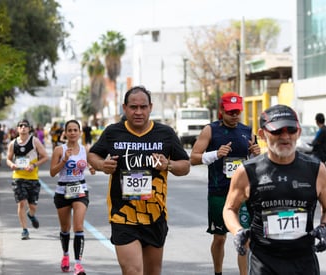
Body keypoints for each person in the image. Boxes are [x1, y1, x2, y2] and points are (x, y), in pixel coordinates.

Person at [223, 104, 326, 275]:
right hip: (264, 262)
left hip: (303, 262)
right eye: (277, 131)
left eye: (291, 130)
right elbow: (230, 209)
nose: (285, 137)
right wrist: (237, 231)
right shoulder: (247, 171)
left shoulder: (316, 169)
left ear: (298, 132)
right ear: (262, 134)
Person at [88, 85, 190, 275]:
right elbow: (93, 155)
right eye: (133, 107)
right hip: (122, 214)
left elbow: (185, 165)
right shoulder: (113, 132)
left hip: (155, 215)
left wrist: (167, 165)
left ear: (150, 107)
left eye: (143, 107)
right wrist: (102, 165)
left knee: (152, 272)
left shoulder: (165, 134)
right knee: (132, 271)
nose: (138, 112)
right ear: (125, 108)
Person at [190, 92, 260, 275]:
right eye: (230, 112)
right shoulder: (210, 130)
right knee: (220, 238)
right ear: (222, 110)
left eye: (238, 111)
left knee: (245, 238)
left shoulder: (247, 131)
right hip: (219, 192)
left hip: (242, 193)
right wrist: (215, 154)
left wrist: (256, 154)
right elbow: (193, 158)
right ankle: (218, 272)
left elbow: (254, 164)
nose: (235, 115)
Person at [50, 120, 96, 274]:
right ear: (65, 133)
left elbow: (89, 164)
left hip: (80, 190)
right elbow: (52, 172)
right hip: (63, 191)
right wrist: (64, 160)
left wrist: (91, 167)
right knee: (65, 228)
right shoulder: (59, 149)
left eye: (75, 130)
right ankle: (65, 255)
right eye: (69, 130)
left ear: (80, 132)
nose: (72, 133)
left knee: (78, 227)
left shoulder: (85, 149)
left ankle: (78, 264)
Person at [6, 119, 49, 240]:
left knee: (33, 206)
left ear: (29, 128)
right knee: (21, 203)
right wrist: (11, 165)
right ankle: (24, 230)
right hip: (18, 177)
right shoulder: (12, 144)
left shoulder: (34, 141)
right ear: (17, 129)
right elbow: (8, 159)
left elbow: (45, 157)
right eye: (21, 126)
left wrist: (34, 165)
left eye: (25, 126)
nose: (23, 127)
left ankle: (31, 215)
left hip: (33, 178)